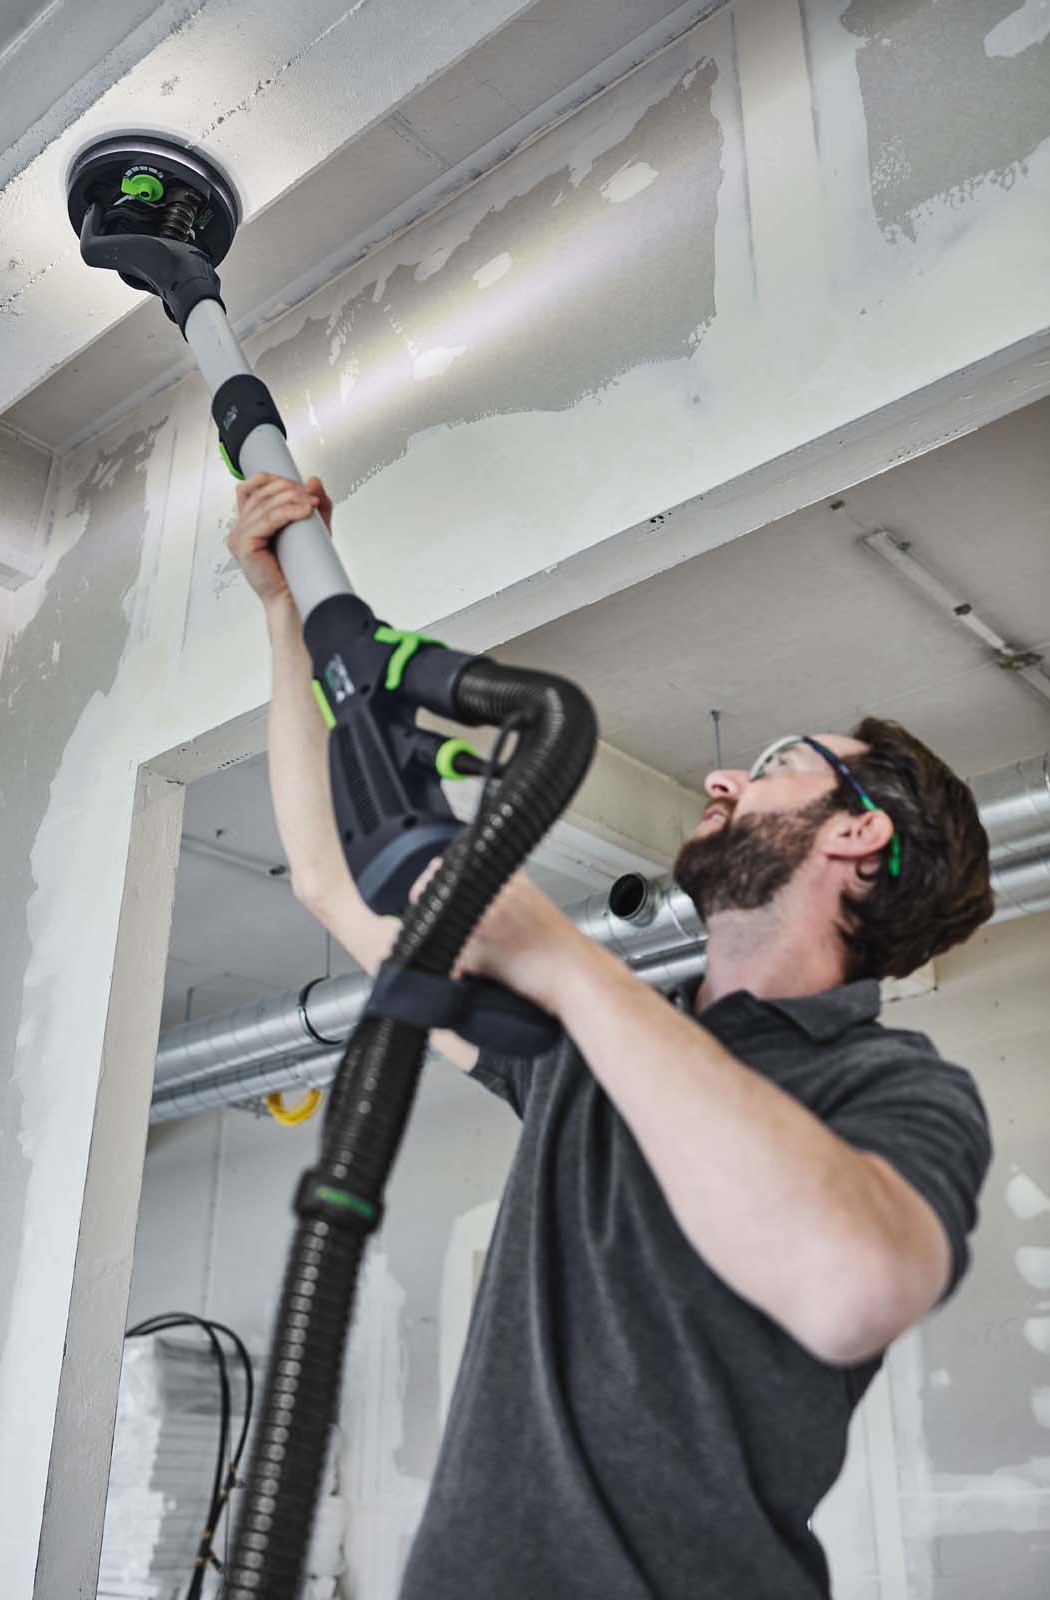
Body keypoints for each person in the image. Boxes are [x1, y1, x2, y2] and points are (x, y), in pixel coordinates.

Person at [228, 471, 995, 1600]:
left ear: (858, 833)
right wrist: (284, 617)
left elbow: (850, 1286)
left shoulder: (893, 1084)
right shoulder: (582, 1048)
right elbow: (331, 885)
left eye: (775, 766)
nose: (723, 775)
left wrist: (565, 963)